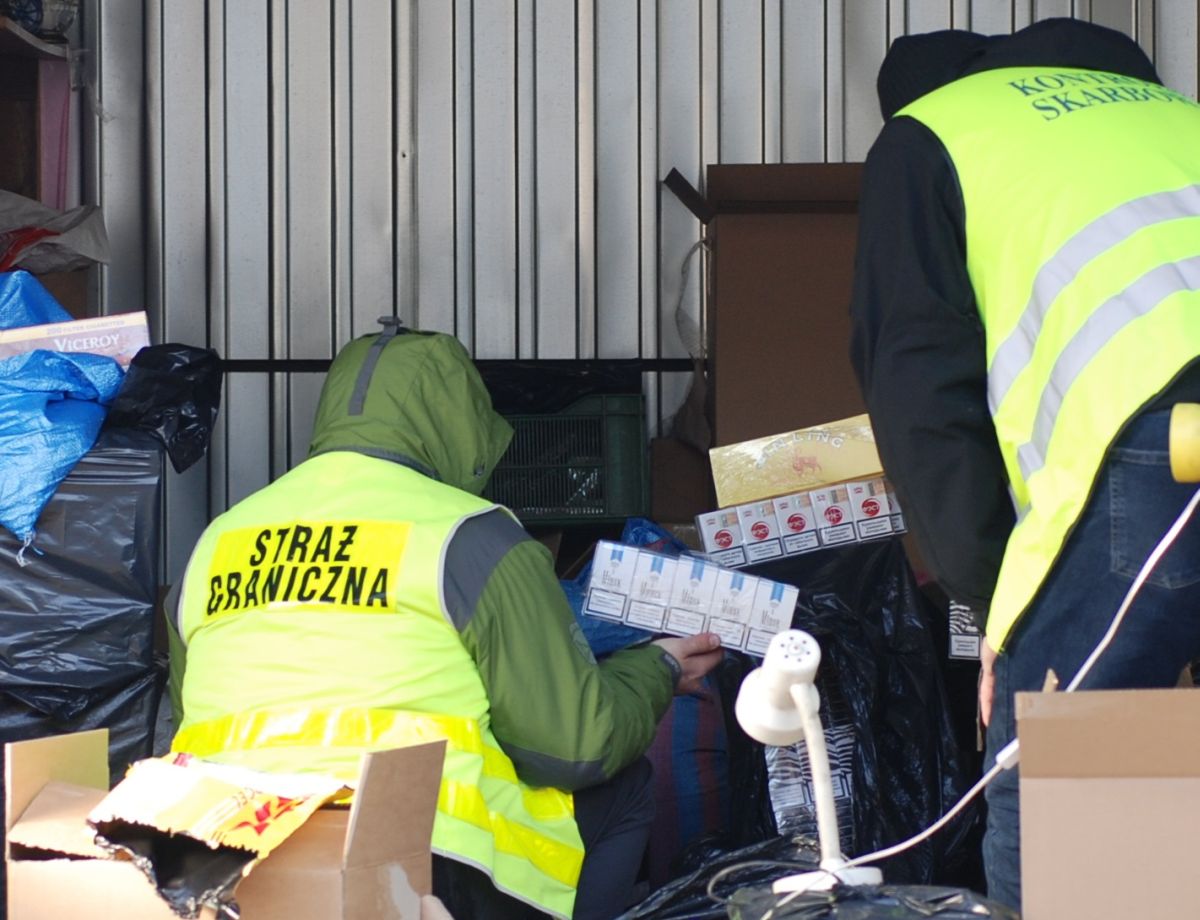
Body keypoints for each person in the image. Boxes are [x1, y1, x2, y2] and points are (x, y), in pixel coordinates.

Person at [166, 321, 723, 920]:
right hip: (421, 863)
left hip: (223, 855)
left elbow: (191, 706)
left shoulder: (217, 539)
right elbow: (573, 747)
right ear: (463, 422)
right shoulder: (467, 533)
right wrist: (657, 668)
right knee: (624, 785)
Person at [848, 17, 1200, 911]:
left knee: (1070, 786)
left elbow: (923, 396)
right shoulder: (1174, 113)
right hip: (1170, 446)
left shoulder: (930, 134)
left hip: (1162, 449)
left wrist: (995, 609)